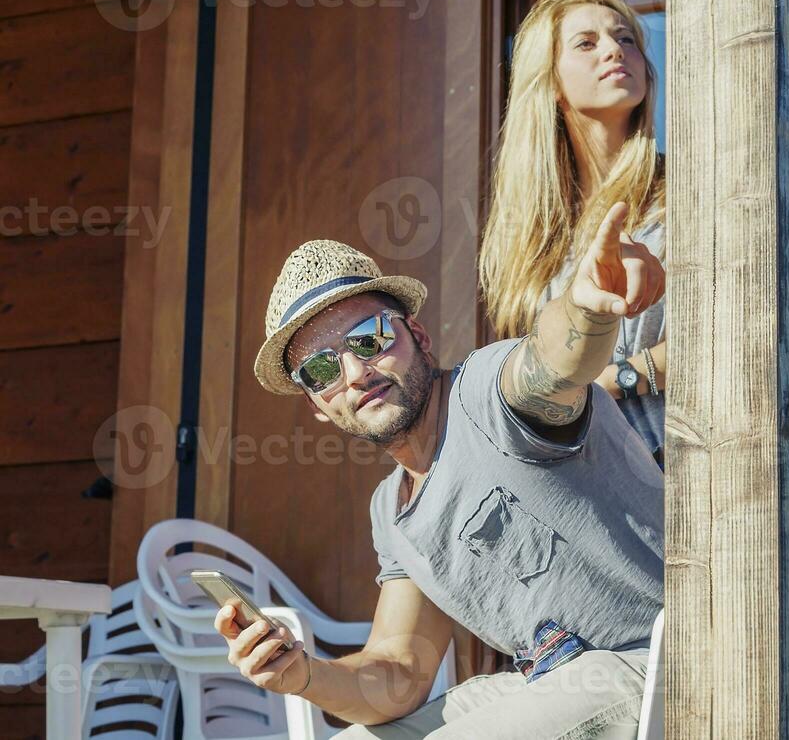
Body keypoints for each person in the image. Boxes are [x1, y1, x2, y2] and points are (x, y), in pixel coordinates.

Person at [214, 203, 664, 739]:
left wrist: (586, 311)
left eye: (370, 337)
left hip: (662, 658)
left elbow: (549, 366)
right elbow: (399, 674)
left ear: (418, 336)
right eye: (320, 368)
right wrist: (302, 673)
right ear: (317, 404)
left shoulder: (487, 393)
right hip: (556, 681)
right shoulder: (393, 511)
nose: (356, 372)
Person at [479, 0, 667, 464]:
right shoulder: (532, 235)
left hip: (684, 469)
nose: (614, 50)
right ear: (553, 85)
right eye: (587, 43)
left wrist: (620, 378)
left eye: (626, 39)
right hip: (579, 479)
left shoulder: (688, 194)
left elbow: (740, 333)